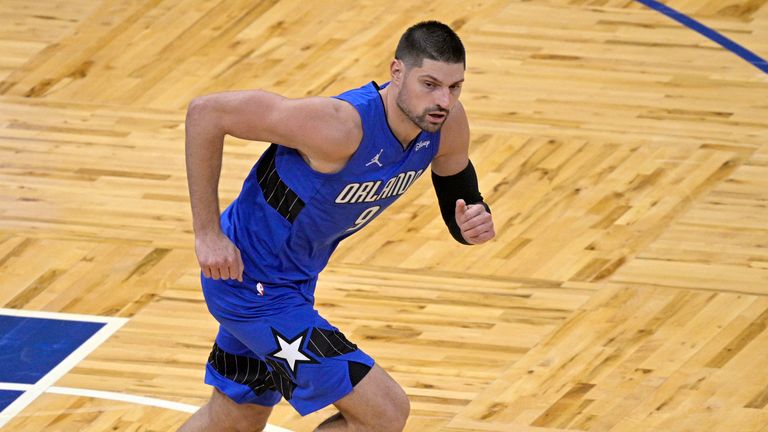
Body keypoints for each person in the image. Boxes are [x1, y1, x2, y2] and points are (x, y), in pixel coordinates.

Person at [180, 20, 495, 432]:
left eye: (455, 87)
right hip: (249, 284)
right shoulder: (338, 127)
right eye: (430, 84)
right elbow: (207, 113)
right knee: (383, 413)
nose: (443, 100)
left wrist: (472, 218)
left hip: (293, 282)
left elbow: (456, 183)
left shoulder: (445, 124)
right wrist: (207, 234)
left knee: (235, 419)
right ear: (396, 72)